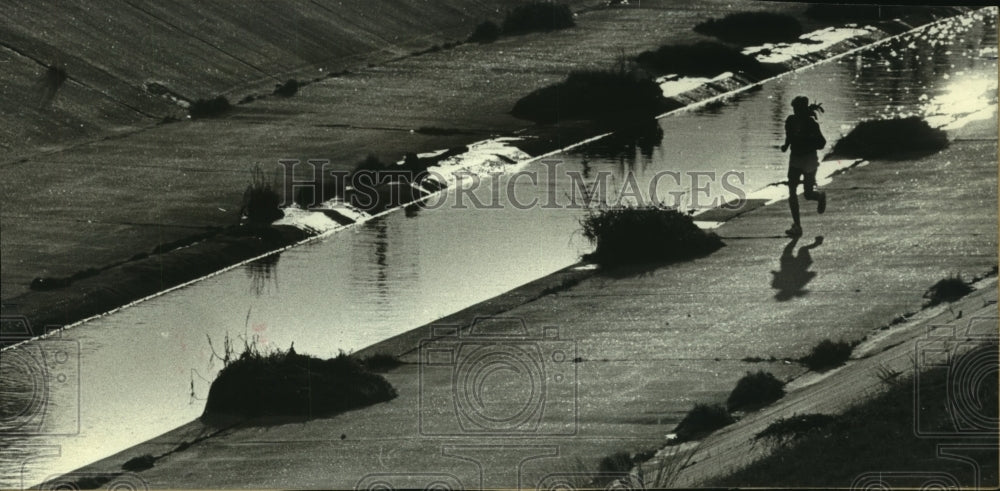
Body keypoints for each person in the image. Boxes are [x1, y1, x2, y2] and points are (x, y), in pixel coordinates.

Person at [780, 96, 827, 237]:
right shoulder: (790, 120)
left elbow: (822, 143)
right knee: (792, 191)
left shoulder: (811, 123)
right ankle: (797, 226)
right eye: (794, 109)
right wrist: (786, 146)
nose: (795, 111)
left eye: (798, 109)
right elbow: (789, 136)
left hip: (809, 159)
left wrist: (808, 142)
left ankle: (819, 197)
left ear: (803, 109)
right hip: (795, 159)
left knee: (807, 194)